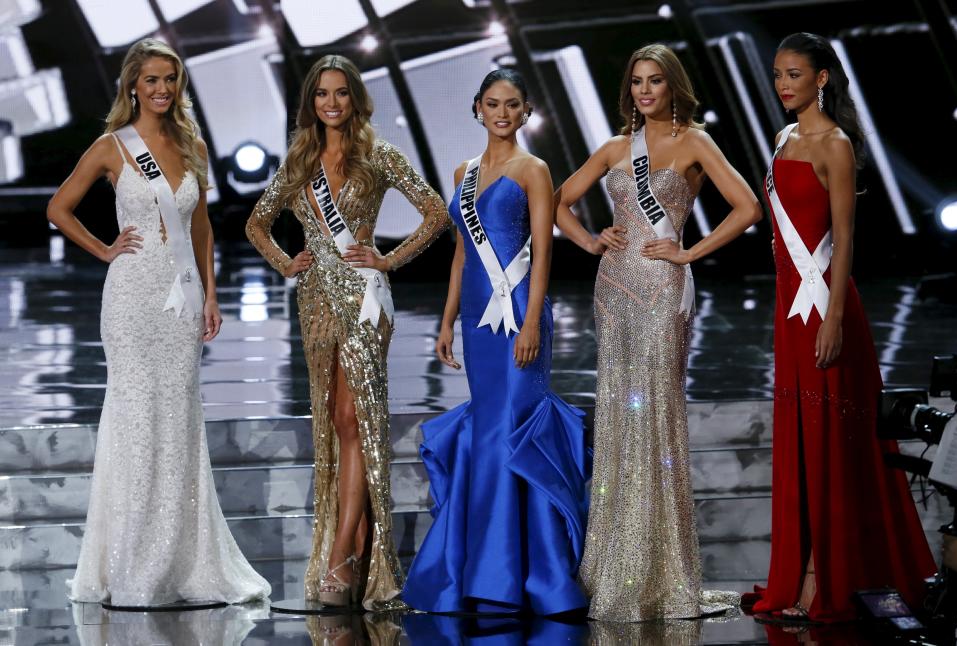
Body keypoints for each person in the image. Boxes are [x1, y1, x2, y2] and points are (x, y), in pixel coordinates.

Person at [48, 38, 270, 606]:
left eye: (170, 79)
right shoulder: (111, 146)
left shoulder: (191, 143)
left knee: (177, 419)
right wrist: (103, 250)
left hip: (182, 301)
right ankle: (128, 564)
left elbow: (200, 228)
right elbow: (58, 207)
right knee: (135, 418)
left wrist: (214, 296)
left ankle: (179, 563)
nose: (162, 89)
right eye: (151, 80)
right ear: (132, 86)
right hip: (130, 297)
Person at [555, 43, 760, 621]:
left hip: (663, 288)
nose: (646, 92)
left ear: (673, 86)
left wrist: (690, 250)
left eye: (656, 82)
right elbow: (558, 202)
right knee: (621, 415)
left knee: (658, 417)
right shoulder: (616, 148)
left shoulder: (695, 141)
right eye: (638, 82)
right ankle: (617, 562)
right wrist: (592, 240)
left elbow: (747, 207)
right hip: (614, 290)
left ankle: (660, 569)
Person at [245, 55, 448, 610]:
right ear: (311, 102)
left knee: (355, 417)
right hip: (314, 302)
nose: (331, 103)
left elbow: (436, 213)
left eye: (340, 94)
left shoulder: (377, 155)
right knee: (335, 418)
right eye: (321, 95)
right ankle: (353, 543)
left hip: (362, 300)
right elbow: (255, 223)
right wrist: (287, 262)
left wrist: (390, 259)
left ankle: (345, 551)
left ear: (356, 100)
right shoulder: (301, 160)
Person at [750, 32, 935, 624]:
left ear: (822, 78)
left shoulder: (835, 144)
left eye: (795, 74)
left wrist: (832, 318)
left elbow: (845, 241)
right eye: (779, 74)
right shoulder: (782, 140)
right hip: (789, 311)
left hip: (827, 312)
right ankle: (803, 566)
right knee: (803, 441)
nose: (784, 84)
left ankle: (824, 579)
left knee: (834, 442)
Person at [402, 69, 590, 615]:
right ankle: (483, 566)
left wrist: (533, 321)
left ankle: (522, 572)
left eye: (512, 105)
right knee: (487, 432)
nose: (502, 113)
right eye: (492, 103)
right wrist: (445, 321)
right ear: (476, 108)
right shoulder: (462, 173)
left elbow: (544, 251)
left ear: (525, 112)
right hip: (479, 325)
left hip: (520, 319)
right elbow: (462, 254)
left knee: (512, 430)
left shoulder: (533, 170)